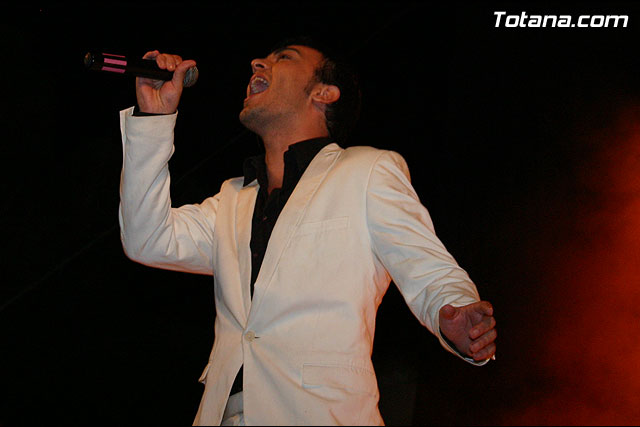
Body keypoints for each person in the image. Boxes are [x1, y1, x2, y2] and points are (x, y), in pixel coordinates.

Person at [118, 36, 497, 426]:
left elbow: (427, 267)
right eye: (263, 57)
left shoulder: (365, 171)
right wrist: (153, 118)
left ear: (324, 93)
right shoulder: (231, 199)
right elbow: (146, 238)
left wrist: (456, 309)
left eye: (283, 57)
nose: (257, 62)